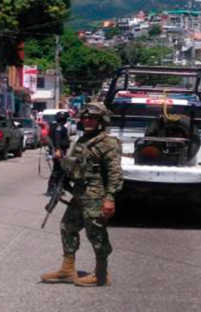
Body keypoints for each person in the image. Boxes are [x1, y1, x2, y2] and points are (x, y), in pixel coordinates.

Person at [40, 102, 123, 287]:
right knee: (67, 227)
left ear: (101, 121)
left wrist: (109, 198)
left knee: (97, 235)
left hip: (95, 196)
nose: (87, 120)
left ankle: (101, 274)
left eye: (92, 118)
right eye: (84, 117)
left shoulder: (107, 143)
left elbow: (115, 173)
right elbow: (77, 165)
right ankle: (67, 270)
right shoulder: (83, 140)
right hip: (79, 194)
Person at [46, 111, 70, 195]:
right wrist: (58, 150)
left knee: (60, 170)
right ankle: (51, 188)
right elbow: (57, 140)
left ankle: (57, 188)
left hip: (58, 151)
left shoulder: (56, 127)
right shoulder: (59, 128)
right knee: (57, 170)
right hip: (58, 151)